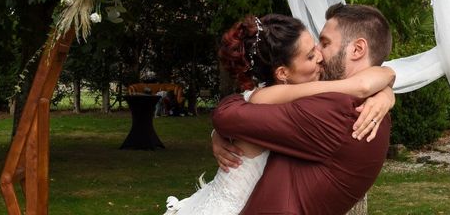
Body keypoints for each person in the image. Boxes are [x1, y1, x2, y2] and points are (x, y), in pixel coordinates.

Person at [162, 13, 394, 215]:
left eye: (323, 44)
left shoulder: (339, 112)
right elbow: (232, 115)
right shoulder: (326, 100)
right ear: (283, 72)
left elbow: (228, 116)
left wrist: (381, 85)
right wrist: (383, 82)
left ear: (357, 49)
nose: (320, 55)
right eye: (312, 53)